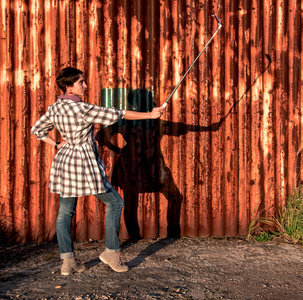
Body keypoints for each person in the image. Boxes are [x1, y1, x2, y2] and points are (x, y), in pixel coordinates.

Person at [31, 67, 165, 275]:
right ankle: (111, 252)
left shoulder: (55, 108)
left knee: (65, 212)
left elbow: (37, 130)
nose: (85, 85)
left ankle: (68, 262)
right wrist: (150, 114)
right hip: (84, 163)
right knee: (115, 202)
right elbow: (117, 114)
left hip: (65, 161)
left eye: (84, 81)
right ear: (68, 86)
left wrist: (57, 145)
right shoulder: (83, 109)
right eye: (80, 82)